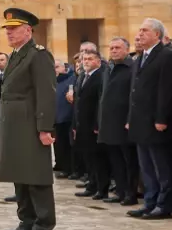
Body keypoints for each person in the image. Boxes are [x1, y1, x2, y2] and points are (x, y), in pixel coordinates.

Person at [0, 9, 56, 230]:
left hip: (31, 125)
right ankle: (27, 221)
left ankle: (44, 227)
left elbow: (46, 94)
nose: (8, 33)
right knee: (19, 175)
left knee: (36, 177)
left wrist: (45, 128)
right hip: (14, 126)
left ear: (28, 30)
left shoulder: (38, 55)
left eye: (14, 28)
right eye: (7, 29)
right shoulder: (16, 55)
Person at [126, 18, 172, 219]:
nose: (139, 34)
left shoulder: (166, 56)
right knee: (147, 166)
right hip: (140, 121)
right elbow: (134, 91)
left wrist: (162, 118)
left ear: (156, 35)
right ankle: (150, 202)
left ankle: (164, 203)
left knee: (162, 165)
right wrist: (130, 118)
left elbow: (166, 90)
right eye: (139, 30)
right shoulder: (141, 57)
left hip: (156, 122)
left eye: (144, 30)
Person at [96, 38, 137, 205]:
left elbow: (133, 96)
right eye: (111, 47)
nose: (114, 50)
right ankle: (120, 190)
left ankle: (130, 193)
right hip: (108, 122)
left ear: (127, 50)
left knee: (128, 160)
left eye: (118, 48)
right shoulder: (108, 69)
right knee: (115, 160)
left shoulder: (131, 68)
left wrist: (130, 119)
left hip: (123, 121)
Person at [73, 49, 109, 199]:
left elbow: (100, 102)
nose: (85, 61)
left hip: (93, 123)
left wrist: (97, 124)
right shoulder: (82, 76)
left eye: (89, 59)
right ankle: (92, 184)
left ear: (98, 61)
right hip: (82, 124)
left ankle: (102, 187)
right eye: (84, 59)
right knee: (88, 156)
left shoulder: (101, 76)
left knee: (98, 158)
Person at [53, 59, 76, 177]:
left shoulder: (71, 79)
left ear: (64, 68)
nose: (54, 70)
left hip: (68, 117)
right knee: (60, 145)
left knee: (68, 145)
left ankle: (70, 169)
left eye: (57, 67)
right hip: (57, 118)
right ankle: (63, 166)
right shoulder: (53, 81)